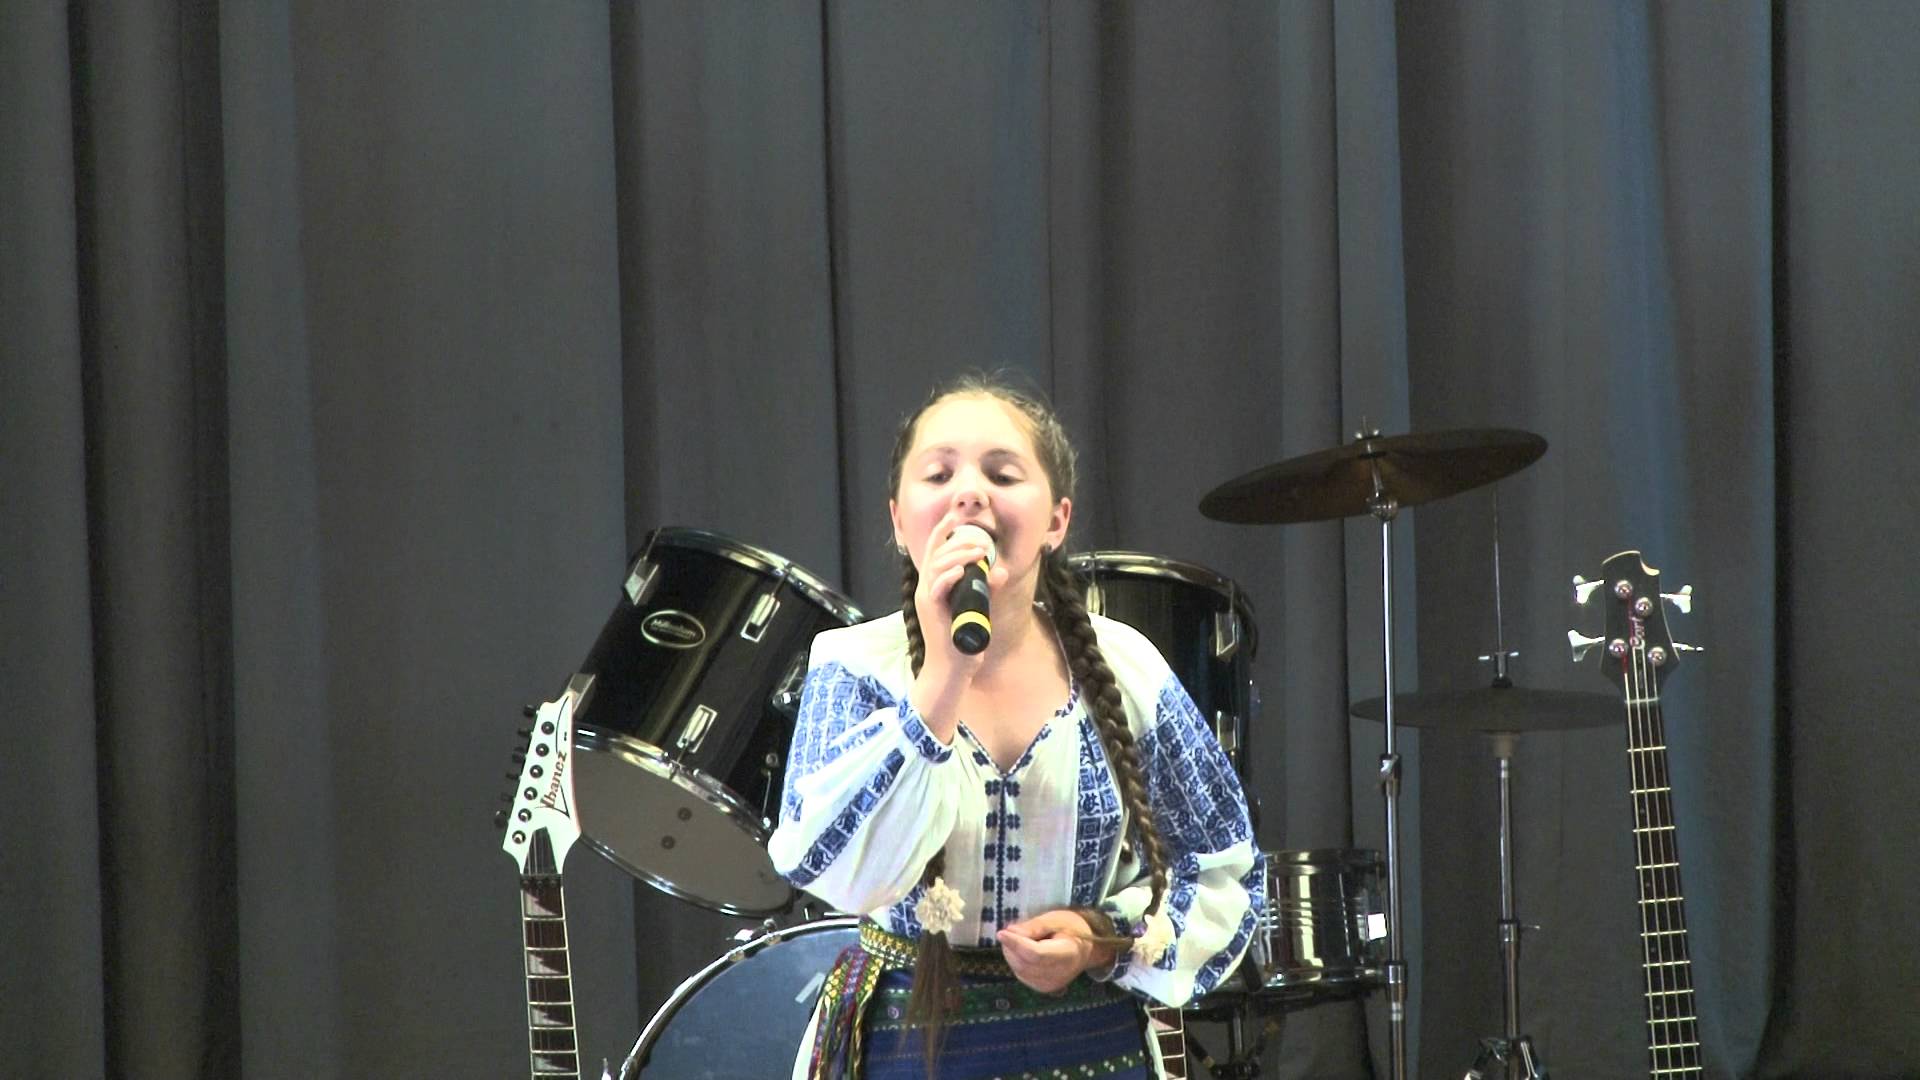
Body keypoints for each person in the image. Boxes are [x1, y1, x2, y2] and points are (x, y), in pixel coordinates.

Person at [768, 373, 1262, 1079]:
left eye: (1002, 474)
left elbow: (1222, 869)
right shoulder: (852, 664)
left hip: (1087, 1042)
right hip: (905, 1040)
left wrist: (1100, 937)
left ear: (1057, 521)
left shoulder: (1125, 666)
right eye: (939, 474)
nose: (969, 492)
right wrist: (941, 679)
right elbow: (826, 864)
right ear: (900, 521)